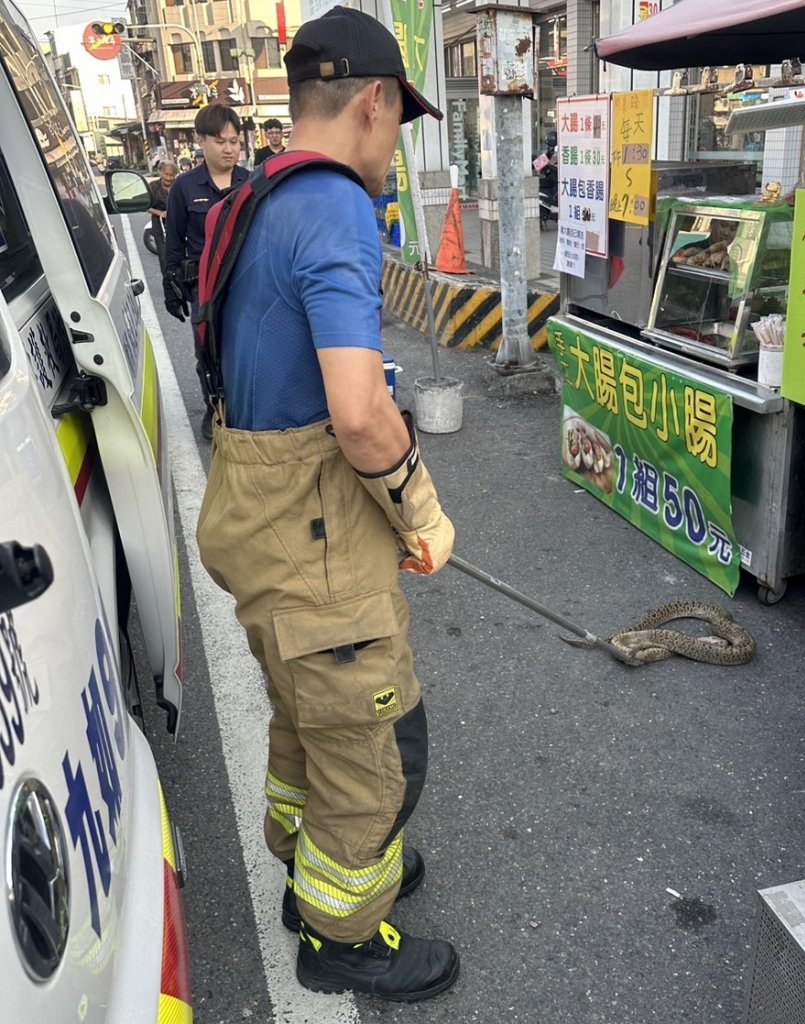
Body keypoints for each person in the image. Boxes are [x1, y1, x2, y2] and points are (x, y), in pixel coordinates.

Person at [194, 6, 458, 1003]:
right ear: (372, 101)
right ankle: (339, 931)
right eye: (398, 124)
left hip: (254, 511)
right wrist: (422, 513)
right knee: (379, 734)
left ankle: (315, 864)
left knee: (306, 714)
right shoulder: (338, 205)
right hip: (309, 525)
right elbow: (359, 414)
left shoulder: (253, 193)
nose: (395, 147)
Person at [163, 105, 249, 440]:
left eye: (234, 141)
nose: (229, 149)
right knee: (207, 353)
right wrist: (171, 287)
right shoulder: (184, 187)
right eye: (220, 141)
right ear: (200, 141)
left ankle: (245, 408)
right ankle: (214, 408)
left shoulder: (251, 181)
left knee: (245, 347)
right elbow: (174, 242)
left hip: (245, 282)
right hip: (204, 287)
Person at [147, 160, 177, 269]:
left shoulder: (178, 184)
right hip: (159, 224)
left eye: (172, 175)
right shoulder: (153, 186)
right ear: (160, 172)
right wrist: (160, 213)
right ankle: (167, 279)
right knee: (164, 257)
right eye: (166, 174)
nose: (169, 178)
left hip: (177, 223)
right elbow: (145, 206)